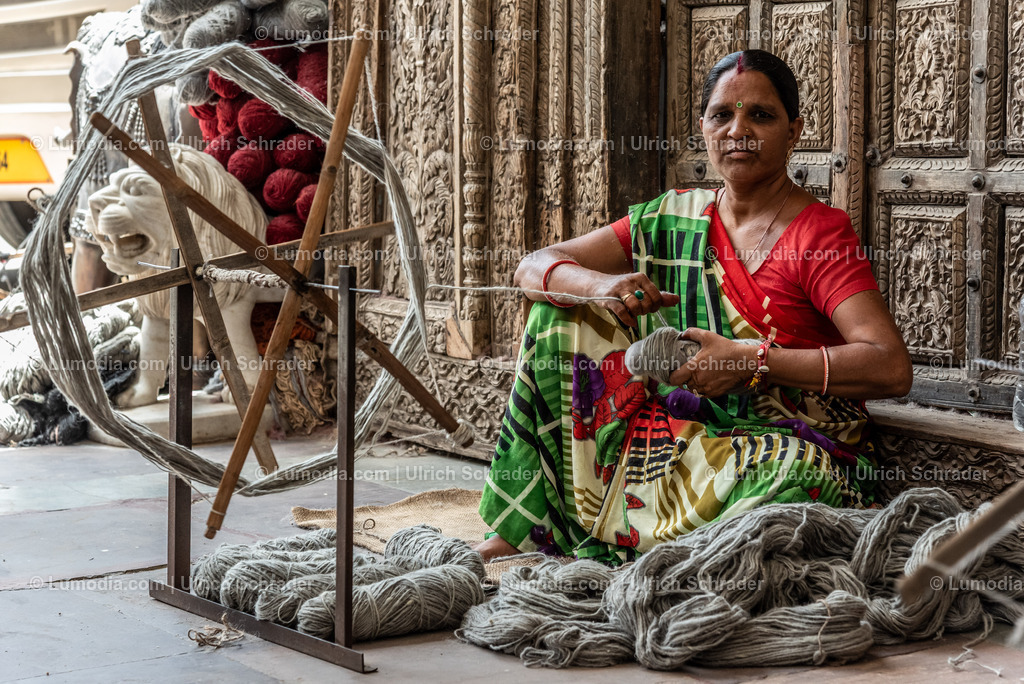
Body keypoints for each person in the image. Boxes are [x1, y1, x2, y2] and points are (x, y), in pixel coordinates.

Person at [474, 49, 913, 564]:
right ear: (703, 126)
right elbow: (533, 267)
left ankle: (658, 553)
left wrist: (750, 362)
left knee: (794, 481)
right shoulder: (672, 215)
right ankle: (529, 533)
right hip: (682, 435)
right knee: (558, 309)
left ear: (793, 132)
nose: (738, 130)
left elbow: (889, 365)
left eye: (761, 116)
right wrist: (601, 287)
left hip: (776, 447)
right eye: (722, 114)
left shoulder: (818, 234)